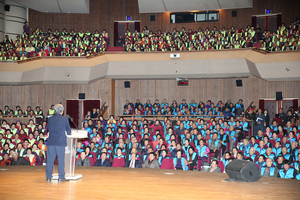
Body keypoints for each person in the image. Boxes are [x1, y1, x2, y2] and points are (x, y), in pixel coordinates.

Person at [46, 104, 71, 182]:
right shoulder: (65, 119)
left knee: (50, 160)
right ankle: (61, 177)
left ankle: (48, 177)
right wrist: (69, 134)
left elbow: (49, 129)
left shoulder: (50, 119)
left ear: (54, 110)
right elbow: (68, 130)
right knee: (61, 160)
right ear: (62, 111)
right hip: (60, 142)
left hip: (51, 141)